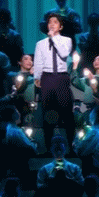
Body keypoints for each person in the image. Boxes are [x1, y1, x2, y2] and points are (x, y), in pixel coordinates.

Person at [34, 12, 76, 149]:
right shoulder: (40, 44)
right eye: (49, 22)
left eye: (55, 22)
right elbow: (38, 61)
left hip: (62, 77)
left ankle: (71, 146)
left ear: (61, 27)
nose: (51, 24)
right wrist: (37, 77)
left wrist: (53, 38)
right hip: (47, 77)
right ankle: (48, 147)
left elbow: (64, 54)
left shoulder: (66, 40)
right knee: (48, 112)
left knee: (67, 112)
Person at [0, 105, 38, 183]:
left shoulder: (10, 129)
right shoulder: (15, 132)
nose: (19, 114)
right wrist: (33, 142)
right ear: (12, 115)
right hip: (21, 168)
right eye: (17, 112)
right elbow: (32, 149)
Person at [5, 53, 36, 126]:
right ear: (20, 62)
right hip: (19, 107)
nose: (29, 61)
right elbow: (18, 88)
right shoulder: (14, 75)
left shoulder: (35, 76)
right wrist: (28, 74)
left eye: (31, 60)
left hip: (32, 108)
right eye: (26, 59)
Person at [73, 108, 99, 177]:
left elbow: (81, 150)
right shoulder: (97, 130)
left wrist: (77, 143)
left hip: (91, 165)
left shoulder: (93, 132)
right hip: (95, 164)